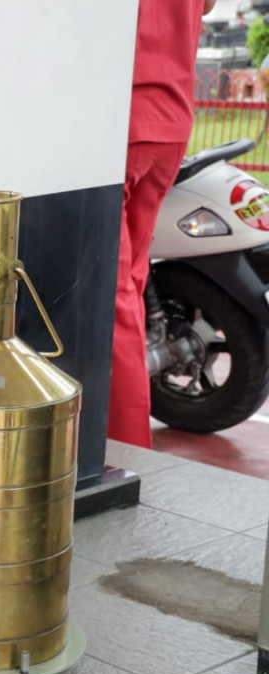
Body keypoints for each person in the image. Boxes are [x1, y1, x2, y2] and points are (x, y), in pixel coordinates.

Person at [109, 0, 217, 447]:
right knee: (129, 288)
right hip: (169, 121)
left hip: (120, 119)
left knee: (109, 299)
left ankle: (126, 449)